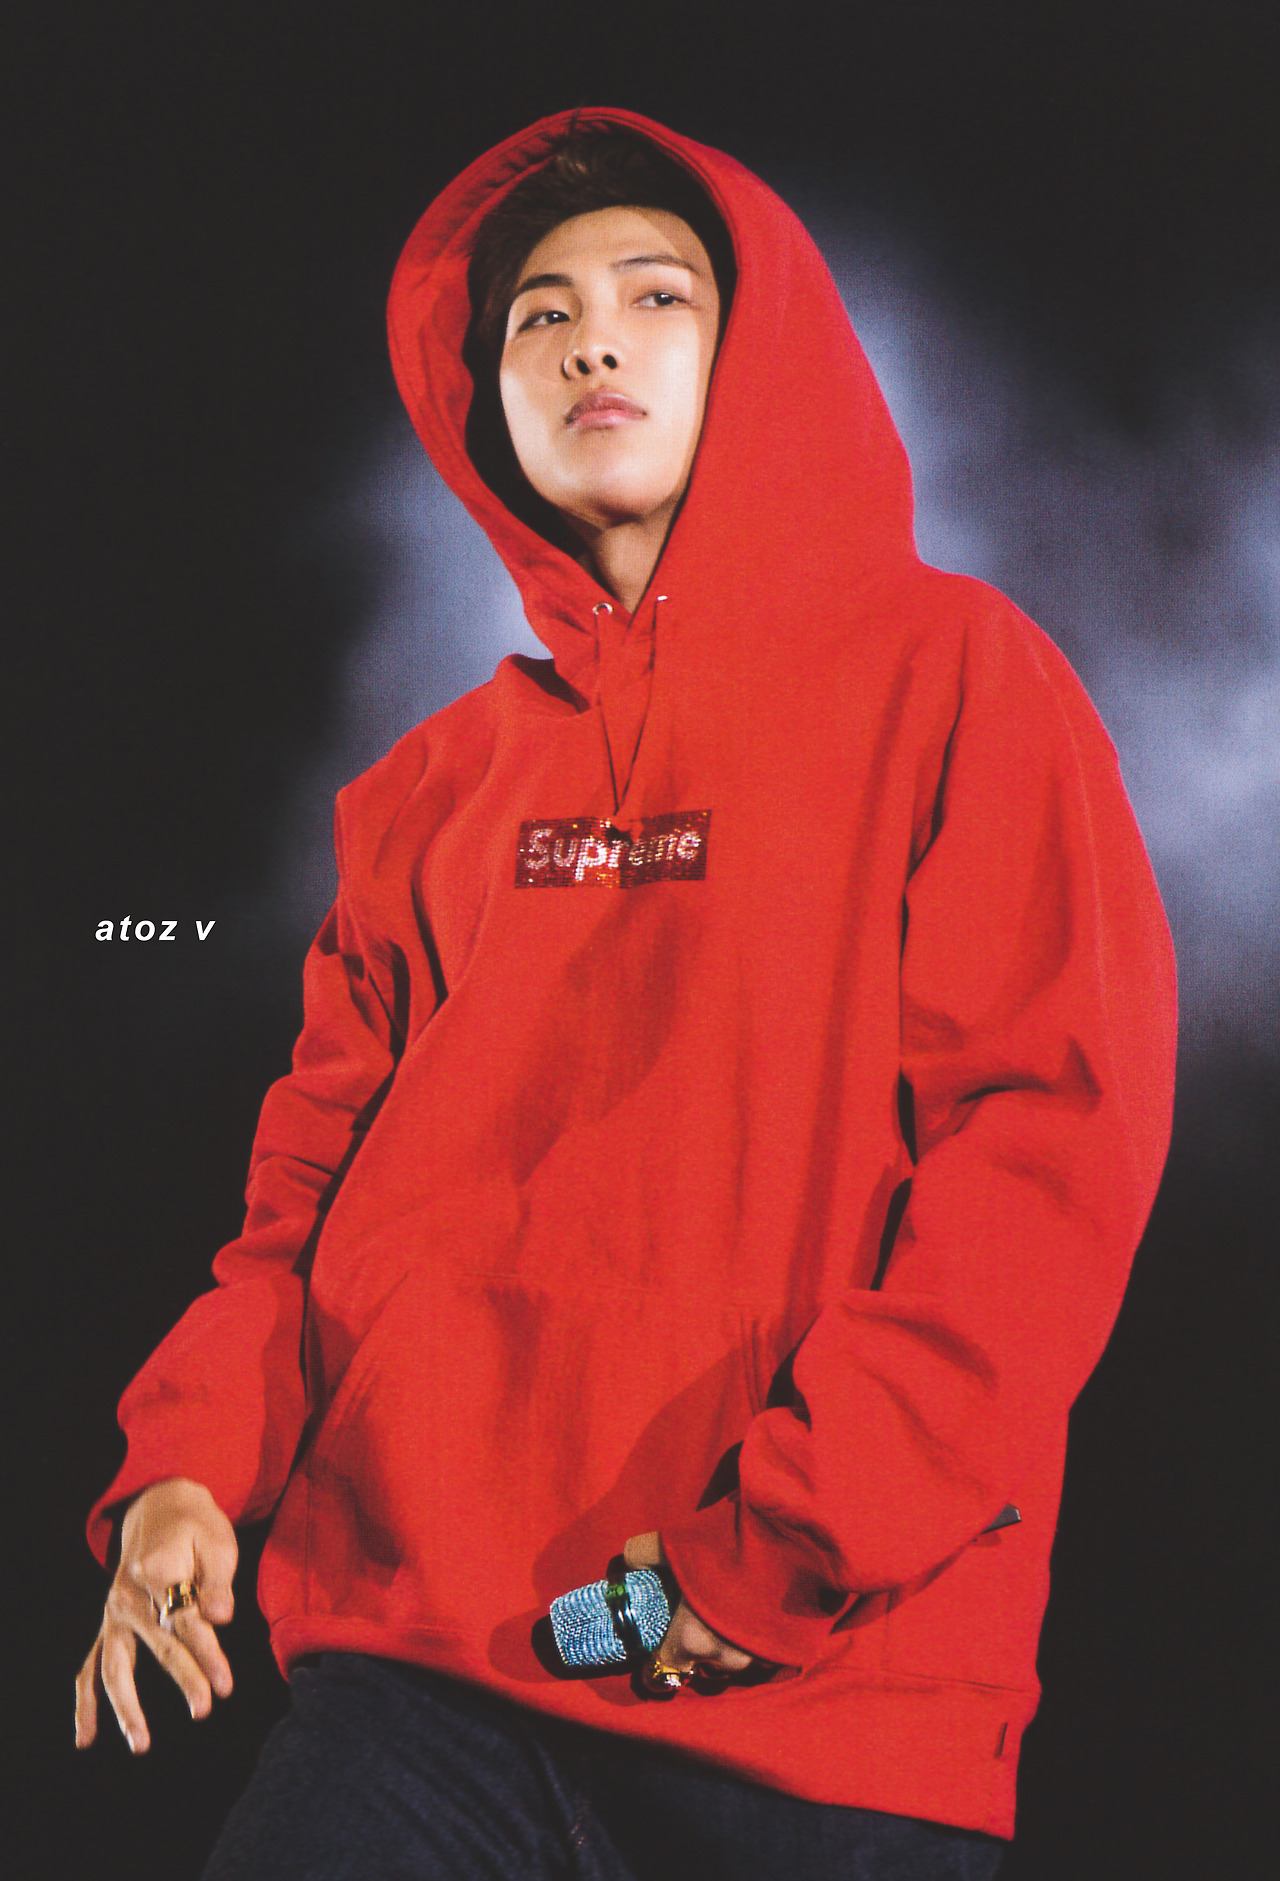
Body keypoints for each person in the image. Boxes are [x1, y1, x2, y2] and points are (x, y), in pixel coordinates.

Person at [75, 108, 1177, 1879]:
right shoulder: (429, 793)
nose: (594, 339)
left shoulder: (960, 678)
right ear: (485, 398)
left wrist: (778, 1553)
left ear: (759, 351)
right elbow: (301, 1206)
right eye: (542, 315)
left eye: (656, 297)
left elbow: (1045, 1158)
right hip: (425, 1682)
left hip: (820, 1701)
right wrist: (190, 1465)